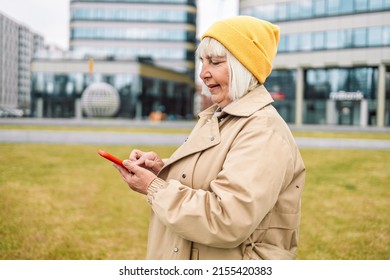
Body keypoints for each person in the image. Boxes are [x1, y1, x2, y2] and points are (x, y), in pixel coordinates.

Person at [113, 15, 306, 260]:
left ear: (244, 67)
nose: (203, 74)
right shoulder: (219, 116)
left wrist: (154, 188)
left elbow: (227, 219)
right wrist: (161, 169)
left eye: (215, 62)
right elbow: (207, 179)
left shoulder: (263, 131)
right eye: (202, 63)